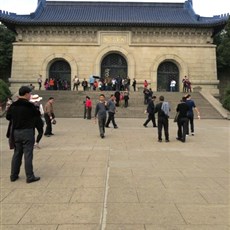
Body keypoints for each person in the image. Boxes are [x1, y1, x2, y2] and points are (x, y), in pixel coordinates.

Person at [6, 86, 40, 183]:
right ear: (26, 94)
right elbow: (37, 116)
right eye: (30, 93)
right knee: (28, 154)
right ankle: (30, 176)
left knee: (17, 153)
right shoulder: (30, 106)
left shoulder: (13, 105)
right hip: (27, 132)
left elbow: (8, 117)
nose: (30, 95)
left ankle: (13, 175)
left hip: (16, 132)